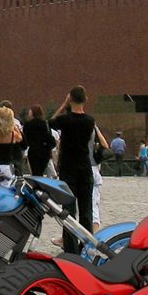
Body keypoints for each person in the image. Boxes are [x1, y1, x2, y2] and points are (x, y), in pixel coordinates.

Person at [51, 86, 108, 252]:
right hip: (85, 168)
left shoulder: (65, 120)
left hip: (68, 169)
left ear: (70, 99)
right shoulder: (90, 121)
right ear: (85, 100)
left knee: (68, 211)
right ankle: (86, 245)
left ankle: (70, 248)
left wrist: (63, 105)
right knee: (86, 210)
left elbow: (51, 122)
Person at [22, 106, 54, 177]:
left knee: (35, 172)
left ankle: (36, 185)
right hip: (44, 151)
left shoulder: (27, 125)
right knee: (41, 171)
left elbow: (25, 139)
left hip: (33, 151)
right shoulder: (45, 123)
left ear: (33, 113)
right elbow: (48, 137)